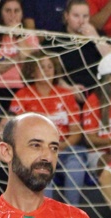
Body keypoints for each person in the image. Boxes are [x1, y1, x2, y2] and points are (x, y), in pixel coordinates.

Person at [11, 53, 88, 207]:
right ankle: (45, 213)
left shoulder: (66, 95)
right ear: (32, 72)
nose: (46, 70)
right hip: (35, 151)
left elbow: (76, 132)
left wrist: (59, 147)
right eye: (41, 67)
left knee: (75, 165)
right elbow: (17, 132)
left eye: (50, 67)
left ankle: (72, 211)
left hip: (64, 148)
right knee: (42, 170)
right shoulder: (22, 95)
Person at [0, 0, 40, 107]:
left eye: (16, 11)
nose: (12, 15)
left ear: (22, 14)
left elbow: (30, 64)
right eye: (8, 11)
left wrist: (19, 35)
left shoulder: (29, 36)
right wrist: (17, 58)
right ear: (1, 13)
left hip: (24, 88)